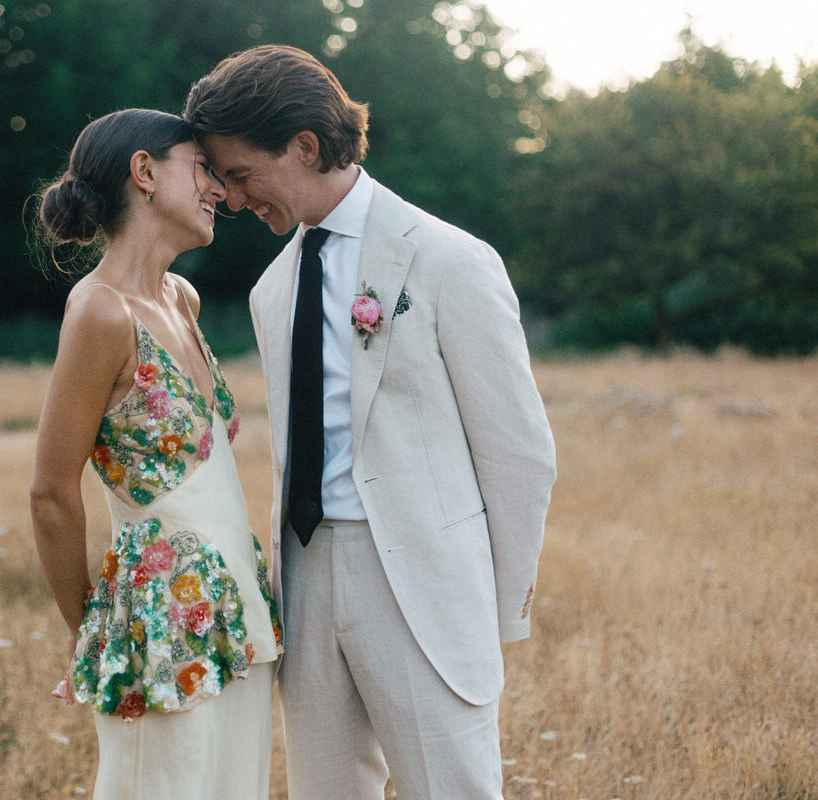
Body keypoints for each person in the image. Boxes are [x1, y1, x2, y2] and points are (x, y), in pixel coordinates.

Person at [184, 46, 556, 799]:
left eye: (241, 174)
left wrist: (492, 610)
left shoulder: (451, 260)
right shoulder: (270, 289)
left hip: (424, 584)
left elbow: (519, 455)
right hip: (306, 580)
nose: (229, 196)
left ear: (305, 147)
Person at [28, 108, 282, 800]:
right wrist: (96, 633)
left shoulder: (182, 298)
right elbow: (50, 492)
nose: (222, 191)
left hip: (236, 615)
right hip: (157, 631)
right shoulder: (99, 312)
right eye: (201, 165)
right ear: (144, 171)